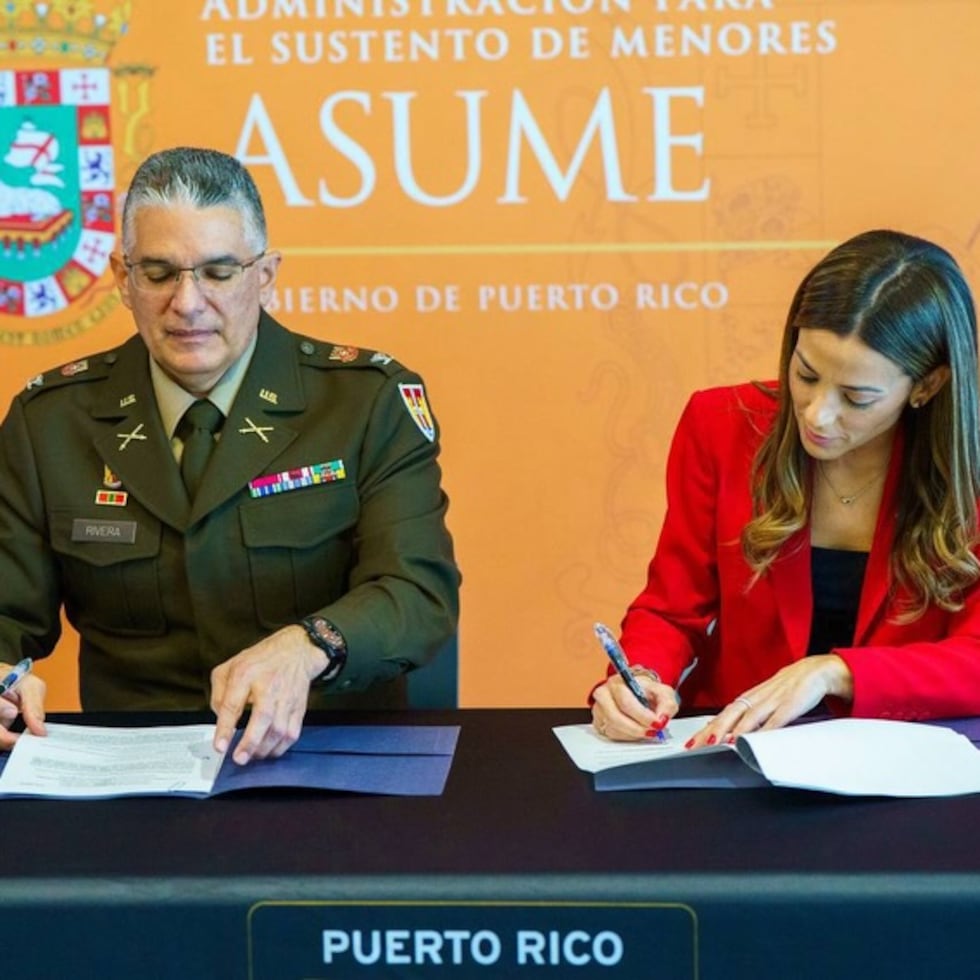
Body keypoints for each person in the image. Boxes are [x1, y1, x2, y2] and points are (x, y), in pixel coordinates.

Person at [0, 147, 460, 764]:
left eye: (218, 272)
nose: (188, 303)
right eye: (159, 273)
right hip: (132, 771)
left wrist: (310, 645)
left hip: (328, 752)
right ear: (122, 279)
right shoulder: (50, 421)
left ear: (265, 276)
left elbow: (417, 590)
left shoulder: (365, 403)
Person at [590, 229, 980, 748]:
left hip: (907, 756)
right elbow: (671, 608)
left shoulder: (969, 467)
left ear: (927, 386)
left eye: (857, 398)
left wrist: (835, 672)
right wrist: (640, 677)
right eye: (806, 374)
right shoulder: (721, 425)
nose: (817, 414)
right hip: (737, 755)